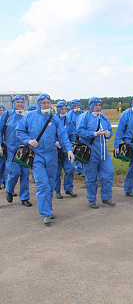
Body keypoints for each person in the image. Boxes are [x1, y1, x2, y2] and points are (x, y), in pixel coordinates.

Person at [16, 94, 74, 225]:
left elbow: (63, 135)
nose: (46, 105)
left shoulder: (54, 119)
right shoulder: (30, 116)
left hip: (52, 156)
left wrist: (69, 149)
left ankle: (48, 209)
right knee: (42, 185)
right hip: (37, 156)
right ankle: (46, 213)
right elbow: (19, 130)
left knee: (51, 184)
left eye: (48, 103)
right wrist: (28, 140)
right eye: (44, 103)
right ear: (39, 104)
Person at [76, 97, 115, 209]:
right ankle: (92, 199)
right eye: (96, 105)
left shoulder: (103, 117)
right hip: (91, 152)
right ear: (91, 105)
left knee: (108, 174)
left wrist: (108, 135)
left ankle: (106, 197)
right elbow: (80, 131)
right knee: (91, 177)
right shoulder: (85, 117)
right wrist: (94, 134)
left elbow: (110, 131)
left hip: (103, 152)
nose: (98, 107)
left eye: (99, 105)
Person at [0, 96, 32, 206]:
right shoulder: (6, 115)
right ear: (14, 103)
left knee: (25, 173)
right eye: (17, 102)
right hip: (10, 148)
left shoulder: (27, 116)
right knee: (14, 172)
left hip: (24, 149)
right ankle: (9, 189)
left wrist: (26, 117)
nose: (20, 104)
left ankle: (24, 197)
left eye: (22, 102)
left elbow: (33, 131)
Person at [55, 101, 77, 199]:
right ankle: (57, 190)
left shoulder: (68, 120)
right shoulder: (54, 119)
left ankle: (68, 188)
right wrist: (55, 142)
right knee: (57, 171)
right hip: (56, 149)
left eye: (65, 109)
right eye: (61, 109)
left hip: (67, 148)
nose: (63, 111)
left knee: (70, 168)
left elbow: (72, 132)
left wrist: (73, 143)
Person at [67, 99, 85, 176]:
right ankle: (79, 170)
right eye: (75, 106)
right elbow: (69, 126)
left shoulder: (83, 113)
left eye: (78, 106)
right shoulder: (70, 114)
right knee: (77, 152)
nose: (77, 107)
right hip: (75, 136)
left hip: (83, 136)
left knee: (84, 151)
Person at [0, 105, 7, 189]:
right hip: (1, 146)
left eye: (2, 110)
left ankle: (5, 182)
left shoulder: (6, 120)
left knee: (6, 166)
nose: (1, 112)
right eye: (0, 110)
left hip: (6, 146)